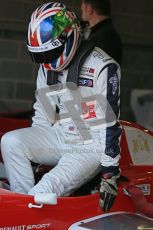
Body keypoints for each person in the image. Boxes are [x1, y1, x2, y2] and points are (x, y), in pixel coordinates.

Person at [1, 2, 122, 212]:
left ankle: (29, 205)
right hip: (61, 134)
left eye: (49, 54)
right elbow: (43, 114)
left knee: (43, 189)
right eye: (39, 56)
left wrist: (110, 172)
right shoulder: (47, 68)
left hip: (89, 147)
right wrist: (34, 154)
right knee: (10, 141)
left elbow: (110, 125)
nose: (45, 62)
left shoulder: (103, 66)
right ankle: (23, 206)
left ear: (69, 37)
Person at [81, 0, 122, 65]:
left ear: (89, 9)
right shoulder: (106, 34)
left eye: (82, 10)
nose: (82, 13)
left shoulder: (103, 37)